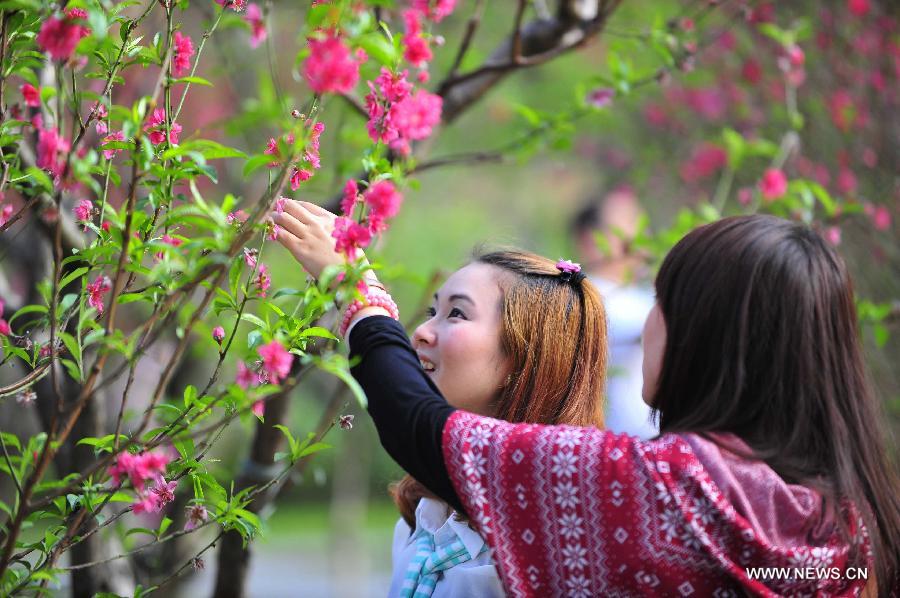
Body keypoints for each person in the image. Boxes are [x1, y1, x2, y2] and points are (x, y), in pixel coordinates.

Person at [277, 208, 900, 596]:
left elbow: (418, 425)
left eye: (665, 303)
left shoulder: (663, 490)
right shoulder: (847, 528)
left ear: (711, 339)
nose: (648, 326)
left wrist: (357, 293)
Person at [273, 202, 609, 597]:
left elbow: (406, 415)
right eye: (434, 310)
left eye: (457, 314)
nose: (420, 332)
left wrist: (358, 292)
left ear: (525, 358)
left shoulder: (549, 521)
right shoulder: (424, 521)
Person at [571, 187, 657, 439]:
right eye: (628, 223)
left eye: (642, 223)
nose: (642, 234)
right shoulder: (583, 298)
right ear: (590, 240)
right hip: (614, 444)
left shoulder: (644, 300)